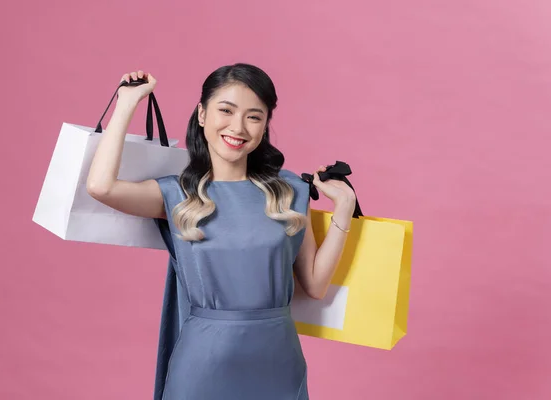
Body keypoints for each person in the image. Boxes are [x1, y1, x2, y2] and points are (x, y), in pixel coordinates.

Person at [86, 63, 356, 400]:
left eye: (254, 117)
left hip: (278, 362)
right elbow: (101, 187)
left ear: (264, 126)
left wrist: (344, 208)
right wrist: (127, 101)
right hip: (204, 362)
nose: (238, 127)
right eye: (225, 110)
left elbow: (315, 285)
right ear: (201, 114)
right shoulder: (176, 195)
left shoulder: (289, 191)